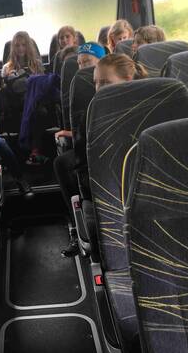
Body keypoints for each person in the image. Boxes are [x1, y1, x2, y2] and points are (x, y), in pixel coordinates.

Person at [54, 53, 147, 257]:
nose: (98, 89)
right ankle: (77, 227)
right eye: (96, 83)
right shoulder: (92, 115)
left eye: (105, 83)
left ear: (127, 80)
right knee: (63, 164)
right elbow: (85, 165)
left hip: (145, 183)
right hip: (108, 187)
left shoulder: (151, 107)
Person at [55, 42, 106, 140]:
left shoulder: (110, 82)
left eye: (87, 61)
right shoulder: (78, 88)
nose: (82, 67)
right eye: (79, 63)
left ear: (101, 60)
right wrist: (73, 134)